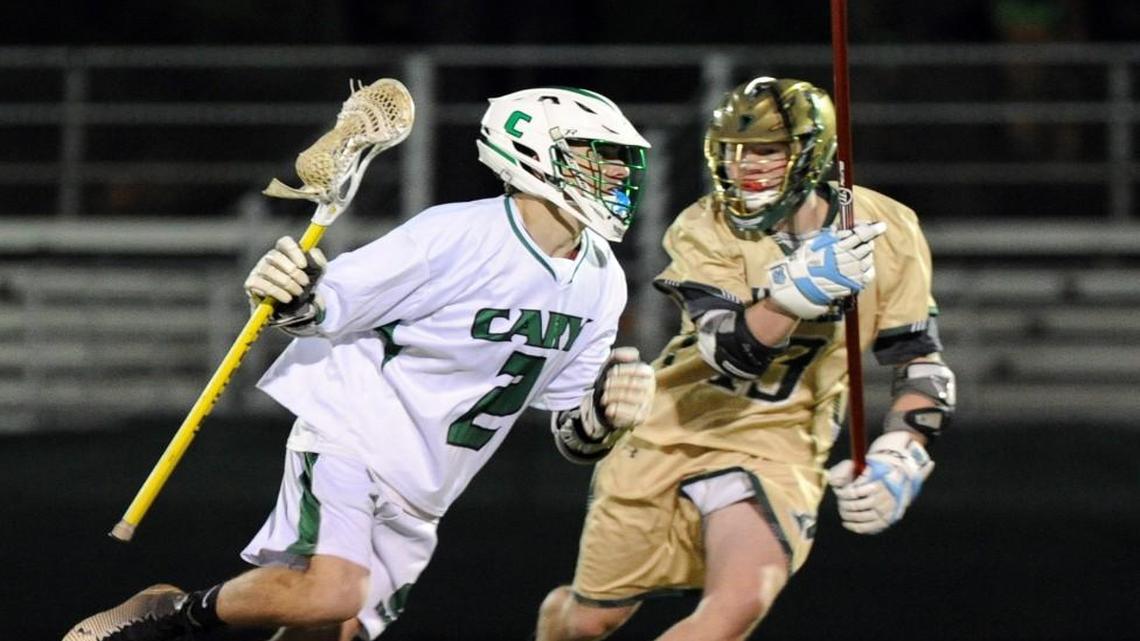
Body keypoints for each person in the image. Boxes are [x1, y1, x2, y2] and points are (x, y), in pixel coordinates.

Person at [63, 87, 657, 641]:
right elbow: (322, 307)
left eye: (619, 160)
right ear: (531, 154)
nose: (616, 174)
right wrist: (292, 291)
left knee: (330, 628)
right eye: (595, 156)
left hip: (426, 487)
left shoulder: (602, 282)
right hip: (355, 433)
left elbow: (570, 433)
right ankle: (169, 611)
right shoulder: (454, 235)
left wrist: (604, 416)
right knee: (332, 594)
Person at [534, 77, 956, 641]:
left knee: (733, 610)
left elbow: (921, 365)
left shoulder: (889, 228)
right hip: (672, 427)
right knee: (589, 621)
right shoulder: (704, 225)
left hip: (778, 444)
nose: (745, 166)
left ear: (810, 153)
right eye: (734, 150)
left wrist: (901, 451)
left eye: (765, 150)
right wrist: (796, 293)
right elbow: (728, 353)